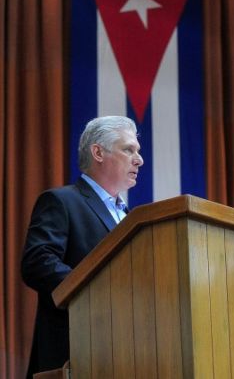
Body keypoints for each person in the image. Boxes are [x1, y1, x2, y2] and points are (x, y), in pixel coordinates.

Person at [21, 116, 143, 377]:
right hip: (74, 355)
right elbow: (38, 263)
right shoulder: (62, 201)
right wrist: (99, 291)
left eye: (138, 151)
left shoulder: (132, 219)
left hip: (127, 356)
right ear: (98, 152)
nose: (139, 160)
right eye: (128, 149)